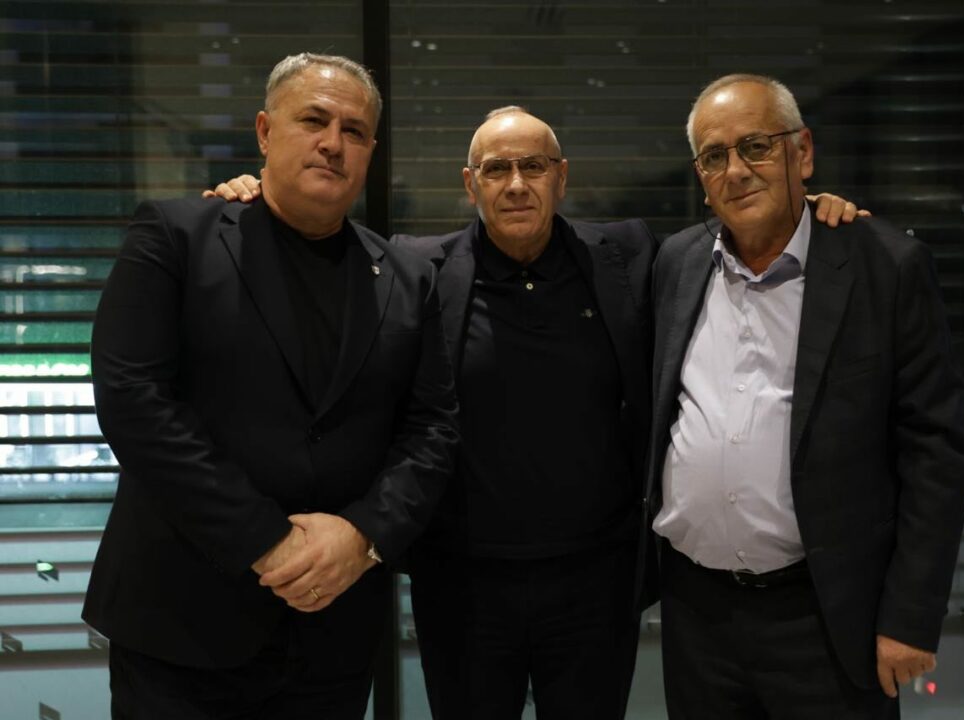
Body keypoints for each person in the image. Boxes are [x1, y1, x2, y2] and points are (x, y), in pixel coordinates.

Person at [209, 107, 862, 720]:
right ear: (471, 184)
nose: (517, 184)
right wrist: (256, 203)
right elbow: (322, 258)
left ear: (561, 177)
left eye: (533, 166)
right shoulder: (417, 268)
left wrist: (810, 213)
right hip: (462, 588)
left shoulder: (627, 256)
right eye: (497, 169)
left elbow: (730, 241)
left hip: (596, 585)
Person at [84, 52, 459, 719]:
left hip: (334, 634)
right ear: (264, 131)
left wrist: (363, 536)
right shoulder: (176, 236)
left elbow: (430, 428)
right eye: (313, 120)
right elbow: (133, 401)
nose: (333, 142)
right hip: (180, 627)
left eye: (354, 131)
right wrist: (265, 540)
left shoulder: (407, 278)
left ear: (370, 151)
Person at [646, 73, 964, 720]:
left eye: (756, 146)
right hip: (696, 617)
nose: (737, 170)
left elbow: (936, 455)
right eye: (714, 156)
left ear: (803, 152)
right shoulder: (676, 262)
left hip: (827, 617)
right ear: (701, 178)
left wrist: (910, 616)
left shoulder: (884, 267)